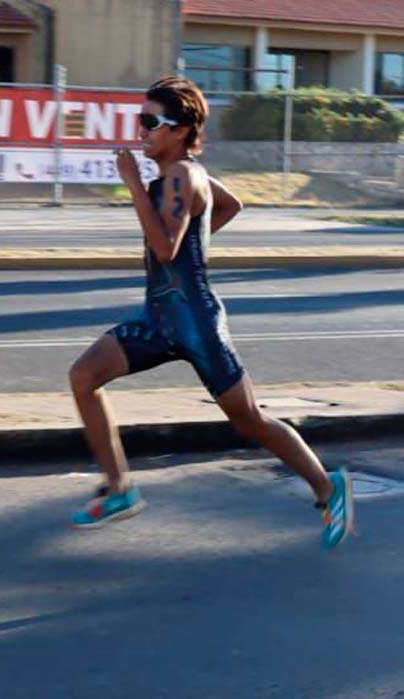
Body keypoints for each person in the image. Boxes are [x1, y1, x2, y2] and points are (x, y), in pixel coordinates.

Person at [66, 76, 353, 549]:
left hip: (197, 324)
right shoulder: (184, 175)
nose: (141, 130)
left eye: (150, 122)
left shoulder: (182, 175)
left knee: (249, 420)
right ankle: (119, 489)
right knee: (83, 376)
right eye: (140, 120)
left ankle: (328, 487)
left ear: (179, 130)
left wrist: (133, 184)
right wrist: (195, 247)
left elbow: (164, 247)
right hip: (159, 320)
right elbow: (230, 205)